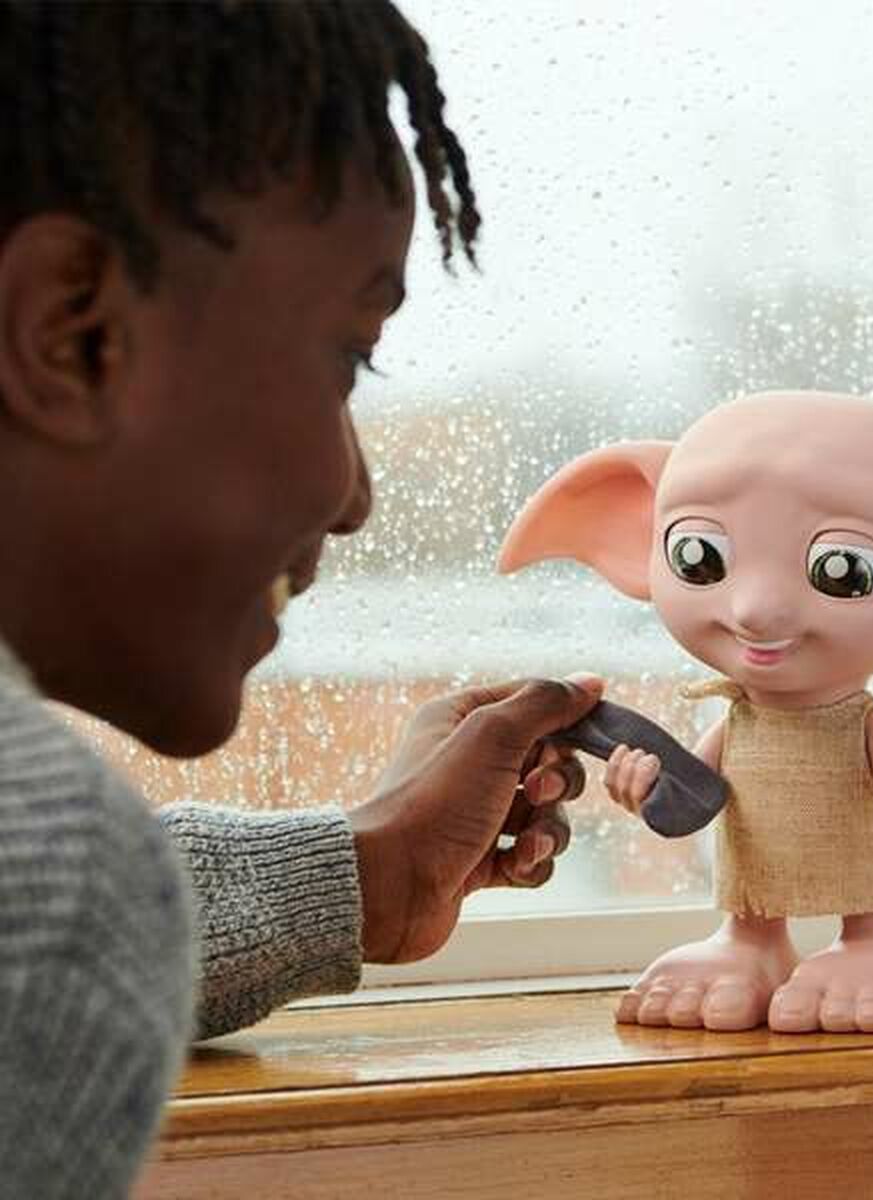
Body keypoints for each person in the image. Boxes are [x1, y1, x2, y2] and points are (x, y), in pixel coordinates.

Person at [0, 3, 602, 1196]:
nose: (356, 496)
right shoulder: (57, 875)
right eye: (346, 356)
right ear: (70, 333)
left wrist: (368, 874)